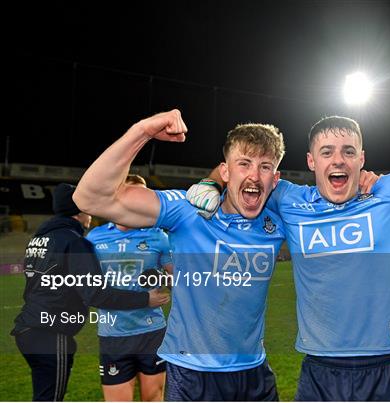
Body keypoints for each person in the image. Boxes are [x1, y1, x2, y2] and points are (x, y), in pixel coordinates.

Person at [187, 17, 390, 401]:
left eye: (348, 152)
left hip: (388, 368)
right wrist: (212, 182)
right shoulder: (289, 200)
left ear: (361, 159)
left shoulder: (388, 193)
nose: (338, 161)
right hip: (321, 373)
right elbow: (243, 168)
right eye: (327, 153)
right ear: (311, 161)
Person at [73, 116, 289, 401]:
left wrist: (368, 183)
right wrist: (142, 131)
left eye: (265, 167)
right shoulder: (187, 210)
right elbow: (90, 199)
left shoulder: (280, 220)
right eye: (244, 164)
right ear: (225, 171)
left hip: (254, 373)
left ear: (275, 179)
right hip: (192, 375)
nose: (254, 175)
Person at [11, 183, 170, 402]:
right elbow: (95, 294)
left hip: (151, 333)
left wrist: (163, 278)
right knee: (50, 396)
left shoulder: (43, 238)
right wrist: (145, 298)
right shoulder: (84, 240)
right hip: (70, 332)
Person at [86, 174, 173, 402]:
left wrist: (163, 279)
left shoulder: (158, 236)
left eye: (143, 195)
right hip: (113, 334)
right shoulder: (95, 237)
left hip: (152, 332)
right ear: (118, 196)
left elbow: (178, 281)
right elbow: (89, 287)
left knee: (154, 398)